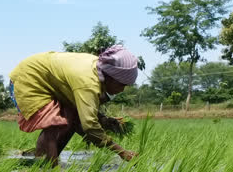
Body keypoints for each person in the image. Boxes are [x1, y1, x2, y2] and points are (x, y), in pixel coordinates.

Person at [9, 45, 138, 165]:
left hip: (45, 79)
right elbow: (90, 127)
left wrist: (104, 120)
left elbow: (82, 112)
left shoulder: (98, 68)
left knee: (73, 118)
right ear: (110, 76)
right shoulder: (88, 82)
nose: (122, 90)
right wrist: (122, 152)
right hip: (28, 78)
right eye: (121, 84)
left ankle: (43, 161)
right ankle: (49, 171)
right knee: (54, 124)